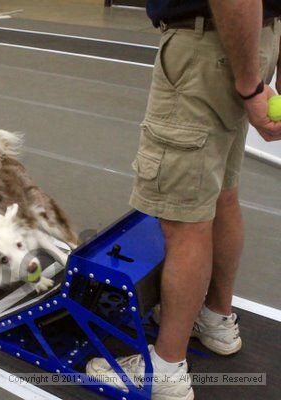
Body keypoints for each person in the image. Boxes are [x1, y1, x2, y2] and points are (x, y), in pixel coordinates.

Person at [86, 1, 281, 399]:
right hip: (254, 40)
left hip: (208, 47)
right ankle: (214, 318)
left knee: (184, 219)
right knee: (221, 195)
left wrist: (249, 84)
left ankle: (166, 370)